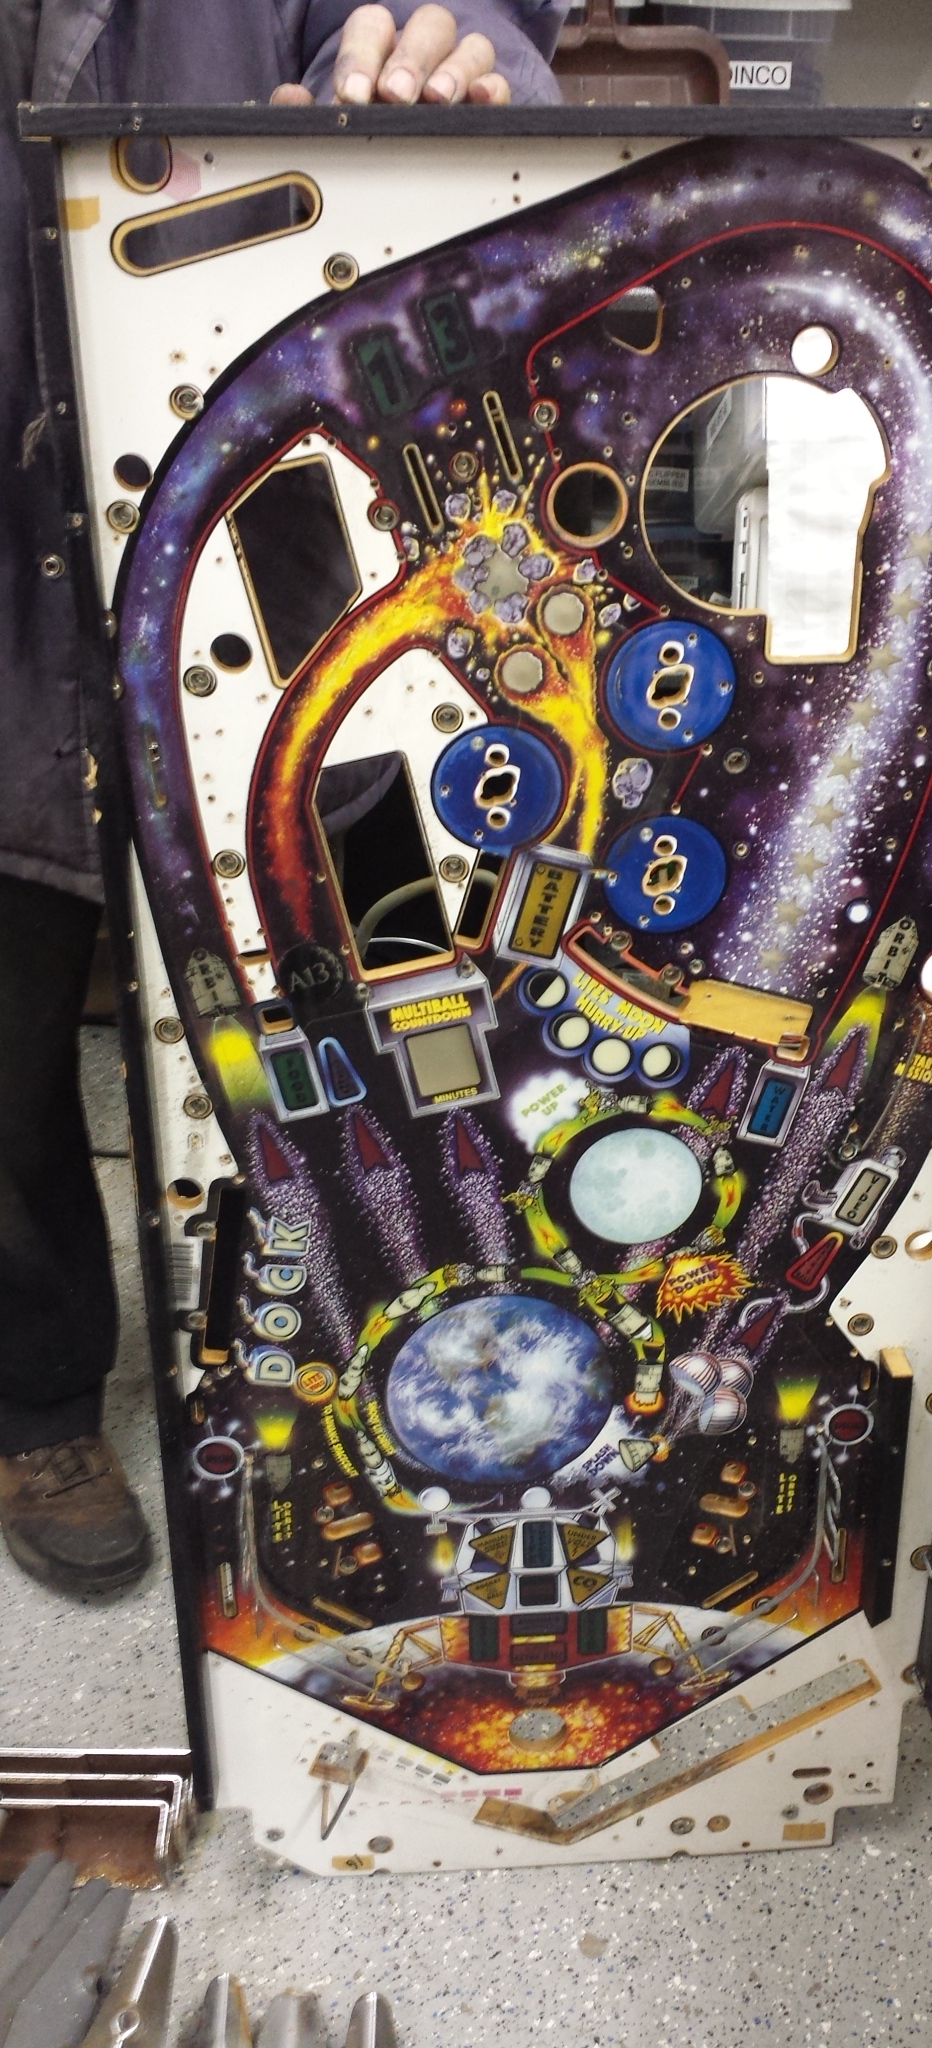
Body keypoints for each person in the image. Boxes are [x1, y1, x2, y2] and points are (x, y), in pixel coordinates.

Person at [0, 0, 563, 1596]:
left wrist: (450, 75)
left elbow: (474, 32)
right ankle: (38, 1395)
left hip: (275, 481)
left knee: (385, 957)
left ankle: (416, 1366)